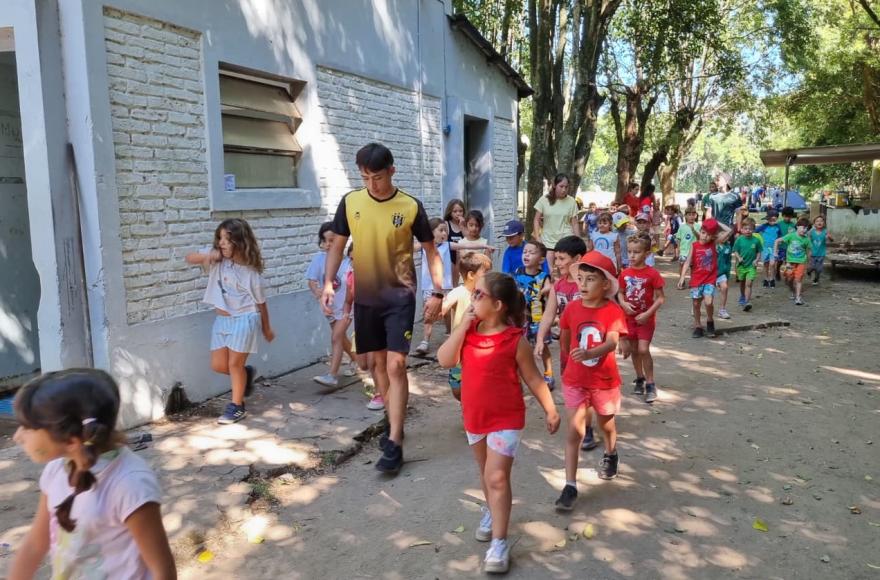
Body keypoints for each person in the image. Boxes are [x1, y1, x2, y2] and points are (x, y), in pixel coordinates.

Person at [322, 142, 445, 475]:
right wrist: (329, 282)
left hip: (399, 297)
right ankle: (394, 416)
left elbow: (431, 252)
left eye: (376, 177)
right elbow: (337, 245)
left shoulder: (410, 206)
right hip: (365, 298)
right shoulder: (350, 202)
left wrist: (437, 292)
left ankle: (394, 441)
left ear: (391, 171)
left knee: (396, 365)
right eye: (365, 177)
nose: (371, 184)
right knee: (372, 362)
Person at [437, 273, 560, 574]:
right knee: (485, 472)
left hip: (506, 418)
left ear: (498, 304)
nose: (473, 298)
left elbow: (532, 378)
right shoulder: (468, 331)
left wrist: (551, 409)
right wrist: (462, 327)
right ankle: (492, 512)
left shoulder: (514, 340)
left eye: (479, 294)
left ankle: (500, 542)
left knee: (496, 477)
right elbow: (445, 359)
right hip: (474, 417)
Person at [10, 369, 176, 579]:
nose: (17, 437)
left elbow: (162, 569)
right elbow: (36, 543)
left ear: (71, 441)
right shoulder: (56, 470)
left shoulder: (129, 484)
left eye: (27, 427)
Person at [555, 251, 627, 511]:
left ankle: (611, 453)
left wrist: (588, 354)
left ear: (605, 284)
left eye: (590, 280)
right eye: (581, 279)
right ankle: (570, 485)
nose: (583, 285)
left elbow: (611, 342)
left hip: (604, 380)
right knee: (574, 431)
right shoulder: (572, 308)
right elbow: (564, 336)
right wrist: (568, 360)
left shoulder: (612, 311)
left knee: (606, 424)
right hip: (575, 379)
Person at [185, 218, 274, 424]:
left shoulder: (252, 274)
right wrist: (209, 256)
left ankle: (237, 406)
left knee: (234, 365)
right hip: (222, 320)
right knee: (218, 365)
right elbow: (189, 258)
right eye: (220, 238)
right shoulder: (217, 261)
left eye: (228, 239)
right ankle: (245, 374)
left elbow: (261, 304)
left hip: (245, 319)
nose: (222, 243)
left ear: (241, 242)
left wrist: (266, 328)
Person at [535, 236, 600, 451]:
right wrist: (539, 339)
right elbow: (548, 313)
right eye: (557, 259)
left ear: (578, 259)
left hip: (586, 349)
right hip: (566, 347)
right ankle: (582, 422)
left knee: (585, 388)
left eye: (562, 259)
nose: (557, 263)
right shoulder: (558, 285)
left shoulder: (588, 284)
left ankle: (588, 428)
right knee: (572, 387)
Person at [307, 222, 357, 387]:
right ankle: (358, 361)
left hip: (347, 307)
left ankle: (332, 375)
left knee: (336, 337)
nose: (329, 244)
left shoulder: (349, 262)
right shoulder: (319, 259)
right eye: (326, 240)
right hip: (329, 307)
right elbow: (312, 280)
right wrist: (317, 292)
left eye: (333, 240)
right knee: (341, 338)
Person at [619, 234, 665, 404]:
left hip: (645, 319)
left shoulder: (652, 274)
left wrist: (647, 314)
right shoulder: (624, 273)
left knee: (643, 349)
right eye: (629, 251)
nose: (631, 256)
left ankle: (651, 383)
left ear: (646, 254)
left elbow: (660, 298)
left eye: (636, 252)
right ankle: (639, 377)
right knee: (634, 349)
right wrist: (623, 303)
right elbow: (620, 293)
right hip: (629, 318)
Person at [441, 252, 493, 401]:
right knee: (457, 388)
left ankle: (476, 408)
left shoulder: (487, 294)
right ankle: (467, 403)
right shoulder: (459, 292)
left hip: (480, 347)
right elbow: (444, 306)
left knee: (481, 381)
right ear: (471, 275)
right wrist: (439, 308)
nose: (488, 277)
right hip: (459, 348)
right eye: (485, 273)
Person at [677, 218, 732, 338]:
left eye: (708, 235)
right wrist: (682, 277)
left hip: (709, 279)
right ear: (700, 231)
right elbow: (687, 262)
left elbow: (729, 230)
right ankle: (697, 326)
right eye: (703, 233)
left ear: (713, 236)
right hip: (696, 279)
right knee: (696, 304)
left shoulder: (714, 243)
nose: (705, 236)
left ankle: (710, 321)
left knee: (708, 301)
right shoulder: (694, 245)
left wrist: (717, 222)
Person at [514, 241, 557, 389]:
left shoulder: (544, 276)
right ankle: (518, 379)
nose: (527, 255)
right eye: (525, 252)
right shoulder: (518, 272)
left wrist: (547, 289)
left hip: (539, 319)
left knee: (543, 347)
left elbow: (548, 287)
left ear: (541, 259)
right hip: (521, 319)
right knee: (519, 349)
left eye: (531, 253)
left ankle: (548, 373)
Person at [414, 219, 455, 356]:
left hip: (445, 286)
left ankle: (449, 332)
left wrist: (484, 246)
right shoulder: (424, 246)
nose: (444, 233)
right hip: (429, 286)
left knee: (447, 312)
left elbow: (464, 244)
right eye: (441, 230)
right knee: (429, 313)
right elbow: (408, 248)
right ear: (431, 233)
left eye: (445, 230)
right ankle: (425, 341)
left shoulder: (447, 245)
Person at [533, 173, 580, 276]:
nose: (564, 190)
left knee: (564, 271)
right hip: (548, 241)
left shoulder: (571, 201)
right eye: (561, 186)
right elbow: (536, 220)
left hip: (565, 240)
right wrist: (538, 238)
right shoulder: (544, 200)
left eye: (566, 187)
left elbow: (575, 223)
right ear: (554, 185)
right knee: (549, 272)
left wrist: (578, 241)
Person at [775, 217, 812, 306]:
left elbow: (809, 250)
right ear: (797, 226)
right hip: (790, 262)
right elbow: (777, 241)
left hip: (801, 262)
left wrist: (808, 261)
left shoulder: (806, 239)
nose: (805, 230)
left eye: (807, 229)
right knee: (789, 279)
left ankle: (798, 297)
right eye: (803, 228)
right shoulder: (791, 235)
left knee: (798, 279)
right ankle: (792, 290)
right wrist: (775, 251)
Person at [732, 217, 763, 311]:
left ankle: (747, 301)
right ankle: (742, 296)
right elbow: (735, 250)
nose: (748, 231)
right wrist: (739, 258)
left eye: (750, 229)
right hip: (741, 266)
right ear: (741, 229)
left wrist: (756, 260)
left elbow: (759, 251)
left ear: (753, 230)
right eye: (745, 229)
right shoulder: (739, 240)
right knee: (742, 283)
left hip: (751, 266)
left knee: (748, 284)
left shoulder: (756, 240)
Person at [756, 210, 783, 288]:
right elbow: (755, 232)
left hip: (774, 249)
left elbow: (780, 236)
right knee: (766, 264)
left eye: (773, 220)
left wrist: (779, 244)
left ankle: (772, 279)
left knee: (772, 264)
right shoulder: (764, 226)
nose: (771, 222)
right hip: (764, 248)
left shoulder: (778, 227)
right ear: (767, 219)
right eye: (770, 220)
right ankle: (766, 279)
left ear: (776, 219)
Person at [444, 199, 467, 283]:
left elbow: (468, 239)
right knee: (452, 283)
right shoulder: (446, 224)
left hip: (463, 258)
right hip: (450, 258)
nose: (458, 214)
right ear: (450, 212)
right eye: (455, 211)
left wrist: (462, 226)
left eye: (460, 211)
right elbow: (444, 244)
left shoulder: (465, 224)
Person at [808, 215, 833, 285]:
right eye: (817, 221)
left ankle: (816, 279)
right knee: (812, 267)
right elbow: (807, 240)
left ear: (824, 223)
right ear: (814, 223)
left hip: (821, 254)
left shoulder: (825, 232)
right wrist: (808, 250)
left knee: (819, 269)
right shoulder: (811, 232)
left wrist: (829, 237)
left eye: (821, 221)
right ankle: (809, 271)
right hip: (812, 253)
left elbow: (831, 240)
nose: (819, 222)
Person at [675, 207, 699, 278]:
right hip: (683, 251)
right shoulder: (682, 227)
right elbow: (678, 238)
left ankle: (692, 281)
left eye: (693, 214)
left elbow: (700, 238)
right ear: (685, 216)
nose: (691, 216)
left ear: (696, 215)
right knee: (682, 266)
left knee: (693, 267)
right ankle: (681, 280)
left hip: (694, 252)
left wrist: (695, 232)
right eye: (689, 215)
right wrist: (678, 249)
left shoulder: (698, 226)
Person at [715, 236, 733, 320]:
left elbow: (728, 261)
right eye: (722, 234)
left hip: (722, 273)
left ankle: (722, 310)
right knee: (705, 293)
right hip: (710, 273)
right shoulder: (714, 244)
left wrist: (727, 273)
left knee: (725, 287)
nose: (725, 236)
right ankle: (696, 307)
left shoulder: (728, 247)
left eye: (727, 234)